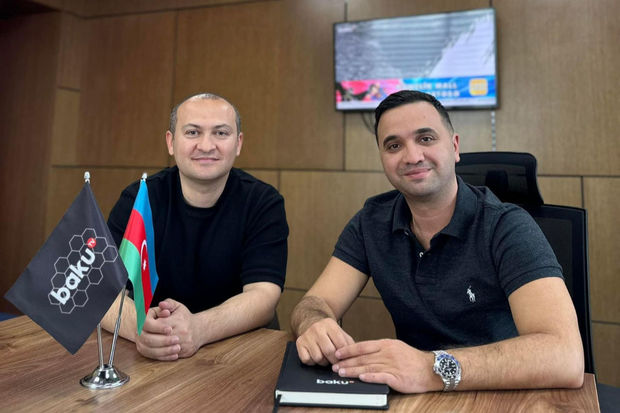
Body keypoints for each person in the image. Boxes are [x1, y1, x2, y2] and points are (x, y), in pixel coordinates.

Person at [291, 90, 584, 393]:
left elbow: (564, 356)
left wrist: (430, 368)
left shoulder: (507, 226)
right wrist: (314, 323)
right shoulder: (371, 222)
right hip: (418, 397)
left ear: (454, 147)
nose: (412, 156)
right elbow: (313, 303)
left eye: (426, 138)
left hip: (503, 395)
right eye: (394, 145)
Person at [102, 93, 288, 361]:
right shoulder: (139, 199)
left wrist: (198, 328)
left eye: (221, 133)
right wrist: (139, 328)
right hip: (154, 353)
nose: (206, 145)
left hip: (239, 352)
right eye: (192, 132)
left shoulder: (263, 202)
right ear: (171, 142)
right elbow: (102, 289)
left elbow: (263, 296)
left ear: (238, 143)